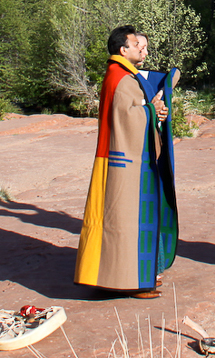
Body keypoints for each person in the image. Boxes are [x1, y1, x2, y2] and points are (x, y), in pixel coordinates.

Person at [74, 26, 179, 299]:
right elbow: (127, 119)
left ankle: (119, 276)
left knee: (120, 219)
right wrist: (152, 109)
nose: (142, 48)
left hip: (121, 158)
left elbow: (136, 113)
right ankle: (132, 281)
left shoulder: (122, 75)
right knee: (125, 220)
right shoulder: (119, 77)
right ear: (123, 49)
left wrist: (155, 111)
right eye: (137, 44)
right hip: (124, 162)